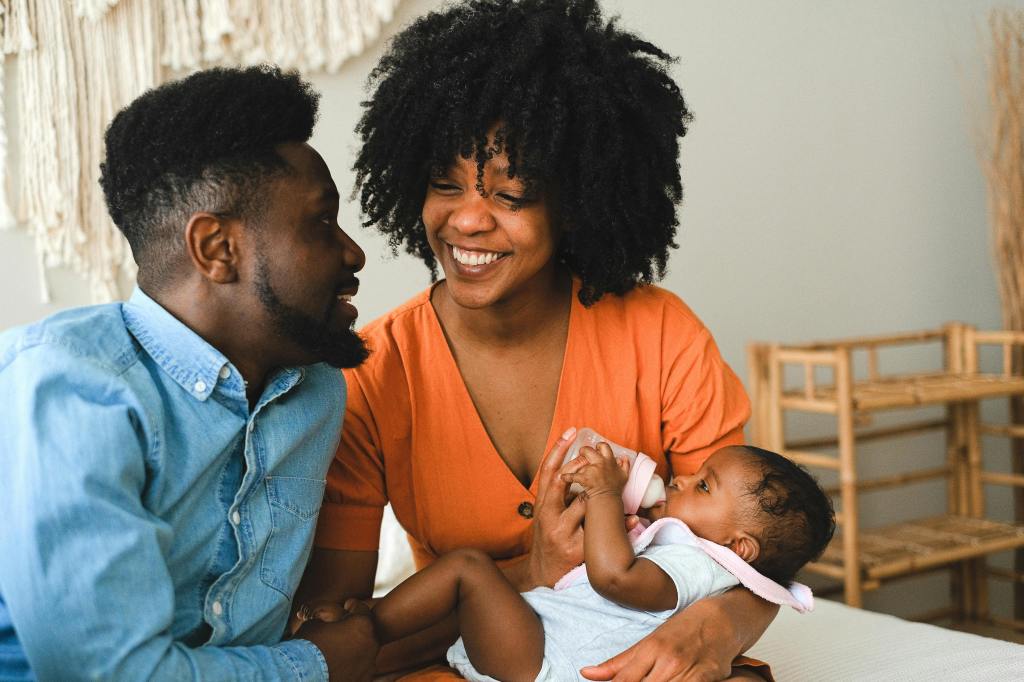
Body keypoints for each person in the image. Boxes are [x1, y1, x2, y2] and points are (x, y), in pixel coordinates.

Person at [296, 0, 779, 679]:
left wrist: (710, 631)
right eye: (445, 185)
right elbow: (337, 638)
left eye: (510, 195)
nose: (466, 220)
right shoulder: (374, 373)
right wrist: (535, 571)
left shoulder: (662, 335)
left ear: (576, 200)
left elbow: (750, 556)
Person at [0, 66, 378, 681]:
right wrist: (312, 666)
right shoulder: (70, 388)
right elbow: (107, 674)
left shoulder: (314, 391)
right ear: (217, 249)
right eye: (321, 222)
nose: (353, 253)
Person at [298, 442, 835, 681]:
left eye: (703, 486)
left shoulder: (701, 564)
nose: (680, 478)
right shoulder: (693, 553)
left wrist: (604, 493)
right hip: (546, 648)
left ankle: (369, 623)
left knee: (467, 569)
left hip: (545, 660)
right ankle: (369, 629)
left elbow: (614, 577)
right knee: (469, 584)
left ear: (740, 547)